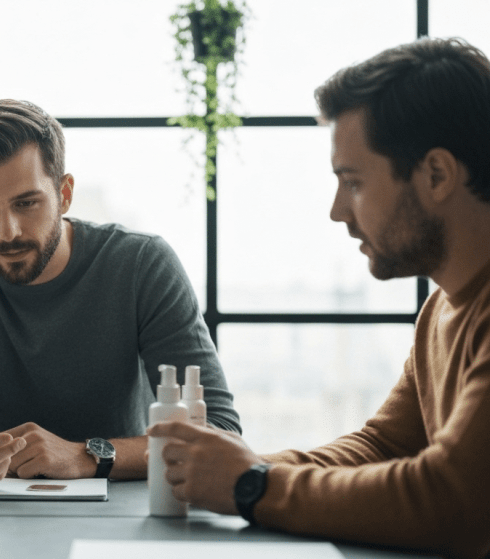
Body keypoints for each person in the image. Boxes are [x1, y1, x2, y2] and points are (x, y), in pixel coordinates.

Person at [148, 37, 490, 559]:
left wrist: (253, 486)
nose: (337, 211)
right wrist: (245, 465)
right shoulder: (442, 309)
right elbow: (382, 446)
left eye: (352, 182)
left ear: (437, 174)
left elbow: (453, 500)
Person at [0, 99, 241, 489]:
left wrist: (85, 455)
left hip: (122, 509)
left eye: (27, 203)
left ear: (65, 193)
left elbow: (219, 431)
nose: (8, 231)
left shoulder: (140, 262)